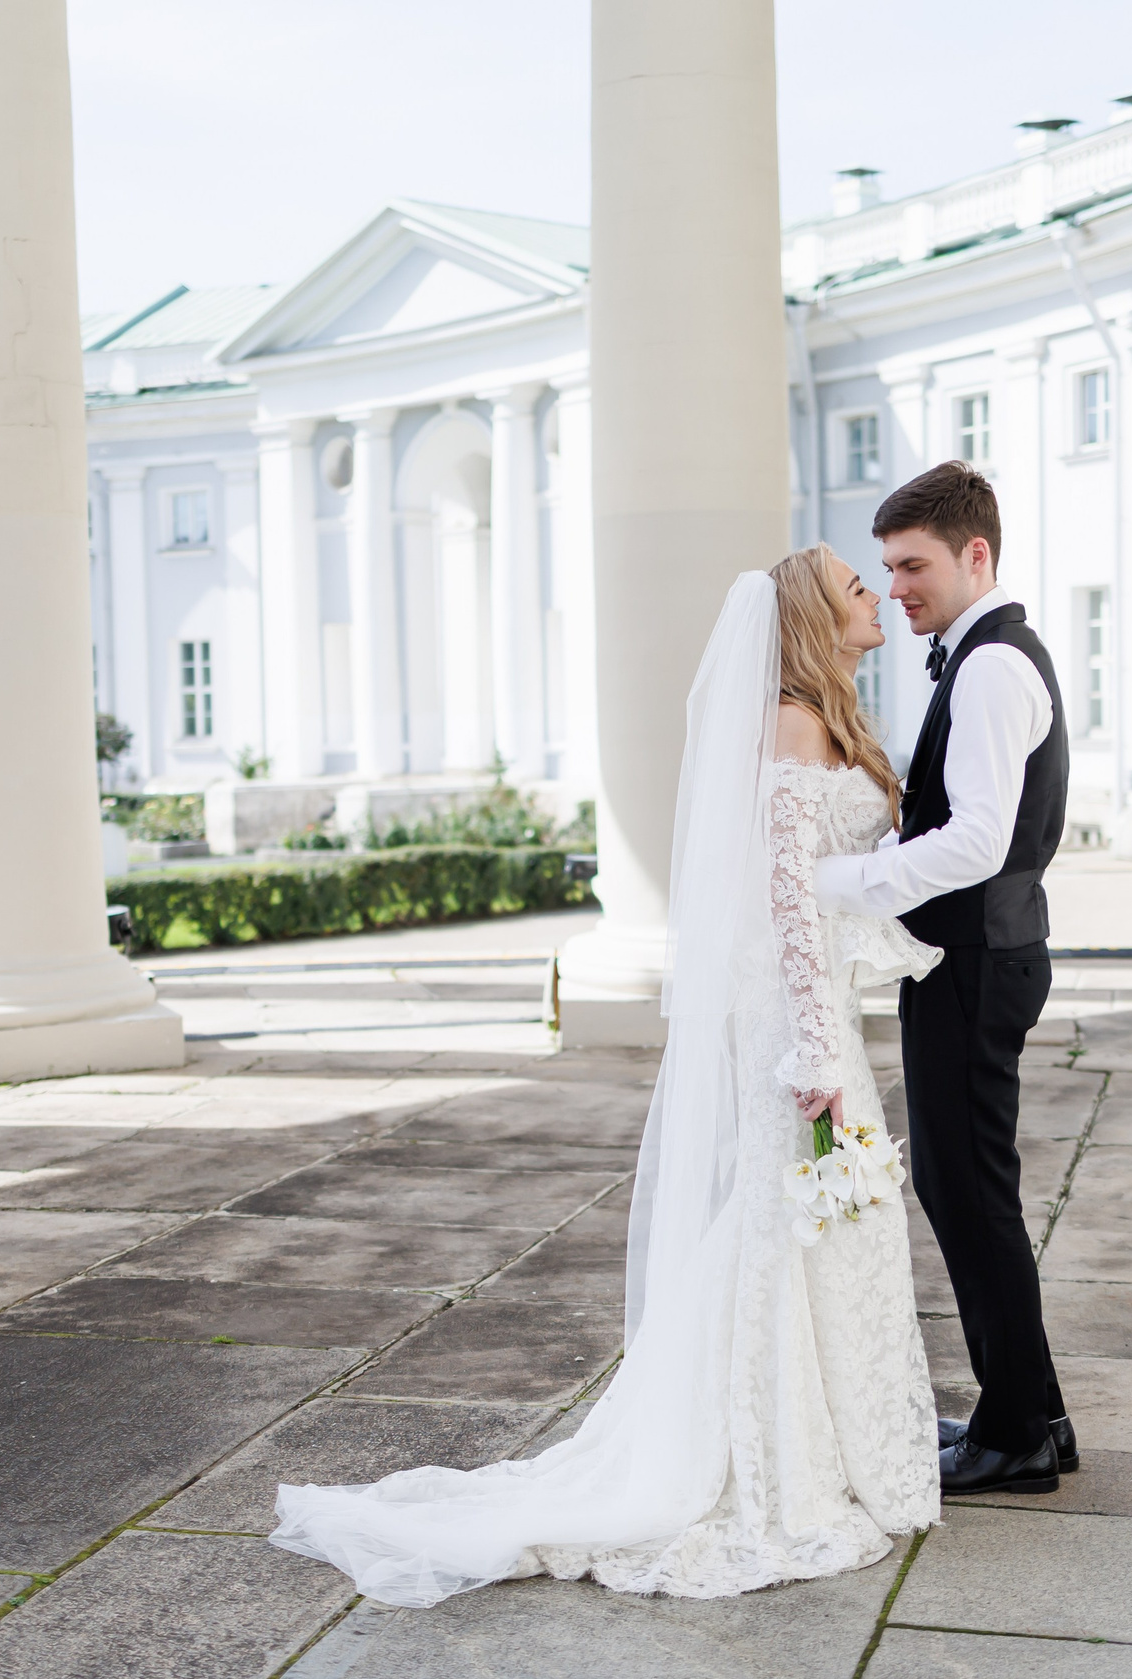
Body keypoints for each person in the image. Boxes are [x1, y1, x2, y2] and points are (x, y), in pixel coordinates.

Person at [269, 547, 939, 1607]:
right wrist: (813, 1048)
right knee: (791, 1224)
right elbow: (787, 907)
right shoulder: (791, 722)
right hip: (796, 1021)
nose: (873, 598)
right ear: (816, 614)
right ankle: (776, 1455)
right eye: (857, 586)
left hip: (819, 1015)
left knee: (803, 1223)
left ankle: (834, 1438)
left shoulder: (823, 716)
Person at [815, 460, 1077, 1496]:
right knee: (970, 1187)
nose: (897, 587)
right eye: (884, 567)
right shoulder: (976, 656)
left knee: (967, 1191)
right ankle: (1033, 1415)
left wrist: (849, 881)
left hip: (975, 956)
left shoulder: (992, 666)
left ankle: (1016, 1429)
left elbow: (977, 838)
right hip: (972, 953)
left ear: (977, 554)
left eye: (913, 564)